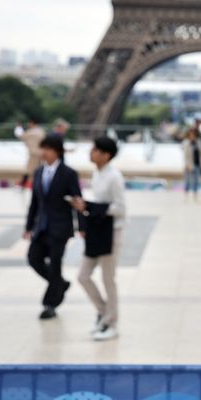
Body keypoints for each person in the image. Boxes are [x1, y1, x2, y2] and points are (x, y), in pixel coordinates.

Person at [72, 136, 126, 341]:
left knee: (108, 279)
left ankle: (111, 323)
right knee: (83, 276)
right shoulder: (97, 173)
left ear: (106, 154)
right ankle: (104, 313)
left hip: (112, 233)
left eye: (95, 150)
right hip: (98, 230)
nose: (91, 152)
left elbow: (121, 209)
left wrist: (90, 207)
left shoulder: (114, 177)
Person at [23, 135, 83, 320]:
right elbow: (35, 202)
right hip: (42, 226)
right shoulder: (39, 172)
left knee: (56, 264)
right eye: (42, 148)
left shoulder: (68, 173)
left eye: (46, 149)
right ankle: (60, 284)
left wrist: (82, 226)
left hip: (60, 228)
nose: (43, 152)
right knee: (34, 258)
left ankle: (50, 304)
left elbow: (77, 201)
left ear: (56, 151)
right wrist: (28, 226)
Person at [18, 118, 46, 188]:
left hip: (34, 154)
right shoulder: (41, 131)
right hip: (41, 154)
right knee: (39, 170)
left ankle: (22, 185)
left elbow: (21, 135)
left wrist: (19, 127)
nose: (28, 124)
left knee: (29, 170)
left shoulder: (31, 132)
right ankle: (40, 185)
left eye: (29, 123)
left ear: (33, 123)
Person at [182, 128, 201, 201]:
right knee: (188, 180)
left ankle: (195, 196)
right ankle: (186, 196)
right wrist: (187, 165)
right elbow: (185, 155)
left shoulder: (199, 142)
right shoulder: (186, 142)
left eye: (193, 134)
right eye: (191, 134)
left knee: (196, 180)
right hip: (189, 165)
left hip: (197, 164)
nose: (192, 136)